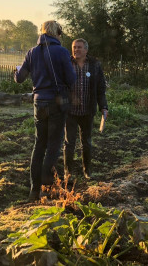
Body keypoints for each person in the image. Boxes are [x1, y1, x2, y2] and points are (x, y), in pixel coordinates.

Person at [15, 20, 76, 201]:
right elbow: (71, 79)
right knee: (53, 146)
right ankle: (45, 187)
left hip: (38, 103)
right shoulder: (62, 52)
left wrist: (16, 71)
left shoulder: (32, 52)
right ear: (56, 32)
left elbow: (19, 78)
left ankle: (33, 190)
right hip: (56, 103)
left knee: (39, 145)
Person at [63, 38, 108, 180]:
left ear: (86, 50)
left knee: (86, 142)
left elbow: (101, 88)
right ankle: (67, 173)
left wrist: (103, 107)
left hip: (87, 111)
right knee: (69, 143)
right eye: (74, 47)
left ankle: (87, 171)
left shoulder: (94, 65)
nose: (76, 50)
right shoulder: (66, 64)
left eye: (79, 47)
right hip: (70, 111)